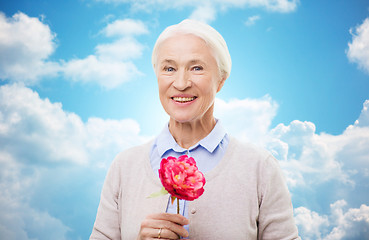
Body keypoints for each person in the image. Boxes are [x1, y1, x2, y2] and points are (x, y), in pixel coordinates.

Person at [90, 19, 300, 240]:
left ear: (221, 80)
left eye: (197, 68)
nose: (181, 83)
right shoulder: (124, 167)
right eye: (169, 68)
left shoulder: (260, 168)